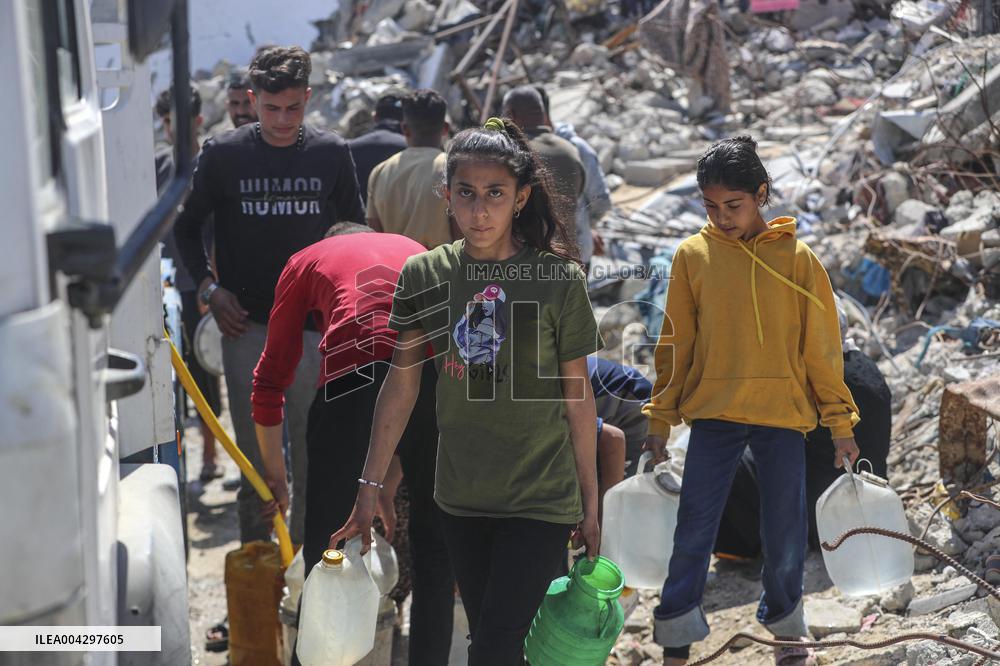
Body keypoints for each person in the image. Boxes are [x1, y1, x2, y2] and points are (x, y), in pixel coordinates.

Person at [331, 117, 603, 666]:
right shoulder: (426, 275)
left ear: (522, 198)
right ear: (446, 195)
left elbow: (579, 396)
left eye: (495, 195)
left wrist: (591, 502)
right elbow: (401, 385)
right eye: (466, 194)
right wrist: (370, 483)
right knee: (494, 642)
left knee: (495, 649)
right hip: (460, 497)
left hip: (541, 498)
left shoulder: (557, 280)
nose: (479, 211)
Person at [640, 136, 861, 666]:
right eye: (710, 207)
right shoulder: (693, 256)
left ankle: (787, 630)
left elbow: (821, 350)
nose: (721, 217)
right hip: (714, 415)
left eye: (733, 206)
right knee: (694, 529)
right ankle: (675, 641)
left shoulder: (798, 259)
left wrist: (840, 423)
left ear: (761, 194)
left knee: (784, 533)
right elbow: (677, 343)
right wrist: (660, 418)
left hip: (781, 416)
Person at [174, 45, 365, 549]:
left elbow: (355, 232)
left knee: (314, 459)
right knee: (256, 469)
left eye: (293, 108)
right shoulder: (224, 155)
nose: (283, 120)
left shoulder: (330, 153)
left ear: (307, 98)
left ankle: (307, 578)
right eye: (271, 108)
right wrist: (210, 289)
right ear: (252, 99)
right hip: (248, 327)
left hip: (314, 333)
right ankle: (259, 578)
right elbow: (186, 229)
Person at [253, 223, 455, 665]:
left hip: (352, 374)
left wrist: (277, 480)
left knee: (326, 544)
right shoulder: (414, 245)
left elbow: (269, 382)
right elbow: (406, 400)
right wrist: (381, 483)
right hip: (430, 373)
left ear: (331, 238)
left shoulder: (306, 258)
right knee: (435, 543)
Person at [714, 301, 893, 558]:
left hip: (823, 524)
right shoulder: (864, 368)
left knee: (730, 459)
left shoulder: (816, 384)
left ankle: (744, 548)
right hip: (869, 505)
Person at [154, 86, 224, 483]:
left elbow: (215, 231)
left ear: (197, 121)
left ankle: (211, 454)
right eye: (164, 121)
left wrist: (208, 283)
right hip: (163, 284)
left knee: (204, 375)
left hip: (197, 286)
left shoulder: (208, 165)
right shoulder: (160, 165)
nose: (169, 129)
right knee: (167, 375)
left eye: (176, 121)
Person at [366, 89, 459, 248]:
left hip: (395, 268)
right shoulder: (453, 168)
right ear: (445, 128)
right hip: (441, 268)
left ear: (405, 129)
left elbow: (374, 233)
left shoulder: (380, 171)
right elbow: (461, 231)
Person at [535, 85, 613, 269]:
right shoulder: (519, 150)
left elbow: (600, 200)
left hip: (573, 258)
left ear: (542, 115)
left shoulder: (577, 150)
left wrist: (585, 226)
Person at [501, 86, 584, 242]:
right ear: (543, 114)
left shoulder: (511, 153)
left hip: (525, 258)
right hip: (566, 256)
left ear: (510, 115)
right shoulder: (570, 151)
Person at [349, 90, 409, 204]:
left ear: (375, 116)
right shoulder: (412, 150)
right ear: (407, 120)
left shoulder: (350, 147)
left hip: (356, 220)